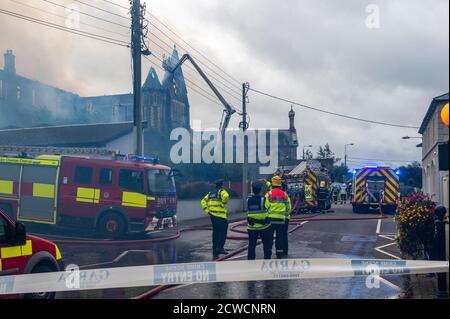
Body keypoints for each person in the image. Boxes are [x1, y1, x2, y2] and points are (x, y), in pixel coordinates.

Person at [201, 179, 230, 259]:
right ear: (222, 185)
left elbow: (203, 201)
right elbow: (226, 196)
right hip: (221, 216)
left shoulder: (210, 193)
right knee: (223, 232)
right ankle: (220, 247)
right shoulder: (222, 192)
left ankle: (215, 248)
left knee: (215, 232)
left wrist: (207, 210)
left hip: (213, 216)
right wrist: (224, 203)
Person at [265, 176, 292, 259]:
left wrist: (266, 216)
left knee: (269, 237)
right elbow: (289, 207)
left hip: (270, 219)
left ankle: (268, 254)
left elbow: (265, 206)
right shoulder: (284, 194)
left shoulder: (268, 194)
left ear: (272, 184)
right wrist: (285, 215)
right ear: (280, 184)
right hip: (281, 220)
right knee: (280, 237)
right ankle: (279, 254)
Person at [247, 181, 272, 260]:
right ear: (260, 190)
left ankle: (250, 262)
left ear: (252, 190)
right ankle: (267, 261)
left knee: (251, 246)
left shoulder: (248, 200)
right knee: (267, 246)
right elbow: (269, 208)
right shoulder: (264, 200)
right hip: (264, 227)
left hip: (252, 227)